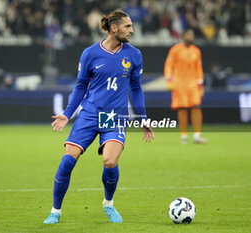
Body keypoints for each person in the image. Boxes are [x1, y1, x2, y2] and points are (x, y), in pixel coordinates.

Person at [43, 9, 154, 224]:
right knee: (67, 161)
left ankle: (108, 204)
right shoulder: (90, 53)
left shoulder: (134, 55)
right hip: (90, 114)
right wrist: (67, 114)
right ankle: (55, 211)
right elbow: (81, 86)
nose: (132, 30)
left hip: (114, 117)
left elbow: (137, 89)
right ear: (114, 28)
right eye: (128, 26)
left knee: (110, 162)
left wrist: (143, 118)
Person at [164, 29, 208, 145]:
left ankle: (197, 135)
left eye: (193, 35)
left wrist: (200, 84)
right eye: (189, 34)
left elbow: (199, 68)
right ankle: (184, 135)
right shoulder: (175, 50)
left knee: (196, 107)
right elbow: (169, 65)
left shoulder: (196, 51)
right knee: (182, 108)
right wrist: (169, 80)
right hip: (179, 83)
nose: (191, 37)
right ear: (184, 36)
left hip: (192, 84)